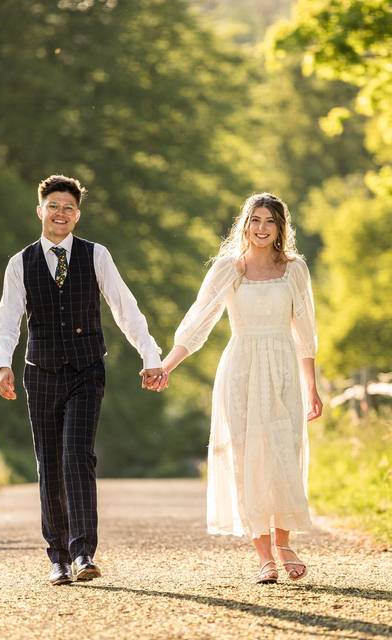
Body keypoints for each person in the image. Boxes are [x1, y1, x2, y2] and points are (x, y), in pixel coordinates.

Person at [0, 174, 166, 585]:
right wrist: (3, 364)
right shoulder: (21, 263)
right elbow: (8, 319)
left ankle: (84, 552)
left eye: (68, 208)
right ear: (40, 211)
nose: (61, 214)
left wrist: (150, 354)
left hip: (88, 370)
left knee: (76, 455)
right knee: (49, 463)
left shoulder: (96, 255)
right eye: (53, 206)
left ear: (78, 215)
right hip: (41, 373)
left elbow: (126, 307)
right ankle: (58, 557)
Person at [148, 192, 322, 584]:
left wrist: (312, 386)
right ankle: (264, 556)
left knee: (283, 453)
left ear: (281, 228)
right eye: (255, 220)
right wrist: (167, 365)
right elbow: (198, 322)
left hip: (282, 369)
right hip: (241, 368)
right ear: (244, 224)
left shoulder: (295, 269)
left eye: (270, 221)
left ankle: (285, 542)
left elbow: (306, 332)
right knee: (248, 458)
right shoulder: (229, 268)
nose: (262, 228)